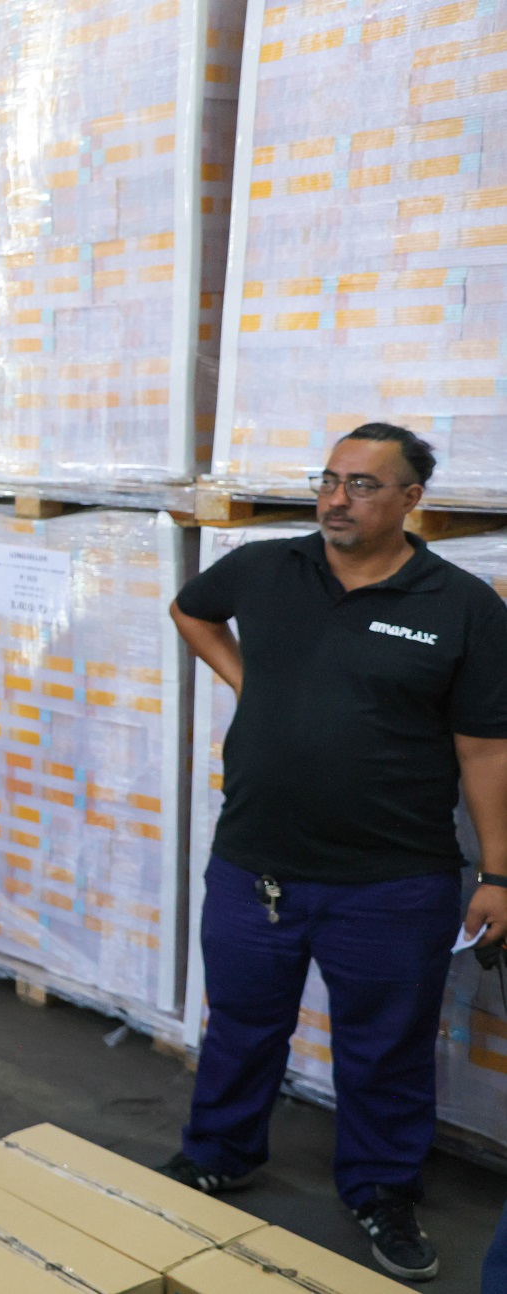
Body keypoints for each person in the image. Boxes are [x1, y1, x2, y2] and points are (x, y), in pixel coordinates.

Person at [161, 423, 507, 1283]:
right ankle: (219, 1152)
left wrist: (498, 870)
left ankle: (380, 1190)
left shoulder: (459, 606)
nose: (334, 499)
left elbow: (487, 751)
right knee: (240, 1025)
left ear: (410, 501)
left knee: (385, 1048)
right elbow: (191, 609)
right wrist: (253, 682)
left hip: (393, 881)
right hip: (256, 863)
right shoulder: (267, 569)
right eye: (327, 480)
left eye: (360, 485)